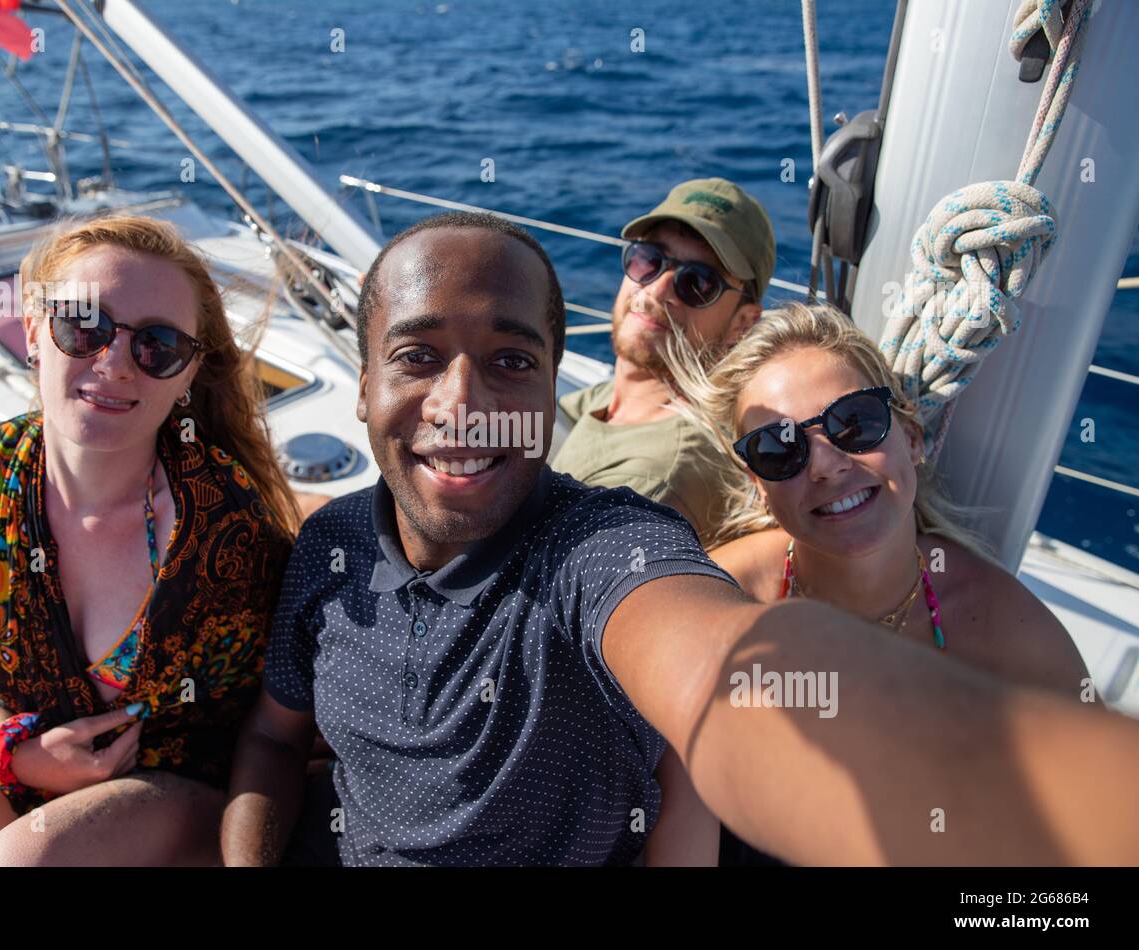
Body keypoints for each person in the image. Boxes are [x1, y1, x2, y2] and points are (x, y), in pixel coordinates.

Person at [222, 210, 1139, 868]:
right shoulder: (332, 546)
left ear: (549, 396)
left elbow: (725, 677)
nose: (464, 406)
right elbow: (271, 739)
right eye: (418, 357)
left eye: (511, 362)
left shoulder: (612, 548)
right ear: (363, 384)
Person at [0, 215, 299, 866]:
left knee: (16, 864)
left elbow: (271, 716)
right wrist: (18, 750)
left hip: (176, 779)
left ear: (186, 375)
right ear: (34, 330)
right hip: (20, 752)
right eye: (82, 325)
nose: (113, 363)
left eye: (157, 346)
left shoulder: (226, 525)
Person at [662, 300, 1096, 864]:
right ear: (758, 486)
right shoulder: (722, 598)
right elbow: (685, 814)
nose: (824, 464)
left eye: (855, 422)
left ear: (911, 438)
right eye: (778, 449)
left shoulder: (1009, 634)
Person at [550, 178, 773, 542]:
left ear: (743, 323)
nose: (657, 289)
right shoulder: (629, 397)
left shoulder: (651, 484)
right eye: (649, 259)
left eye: (698, 282)